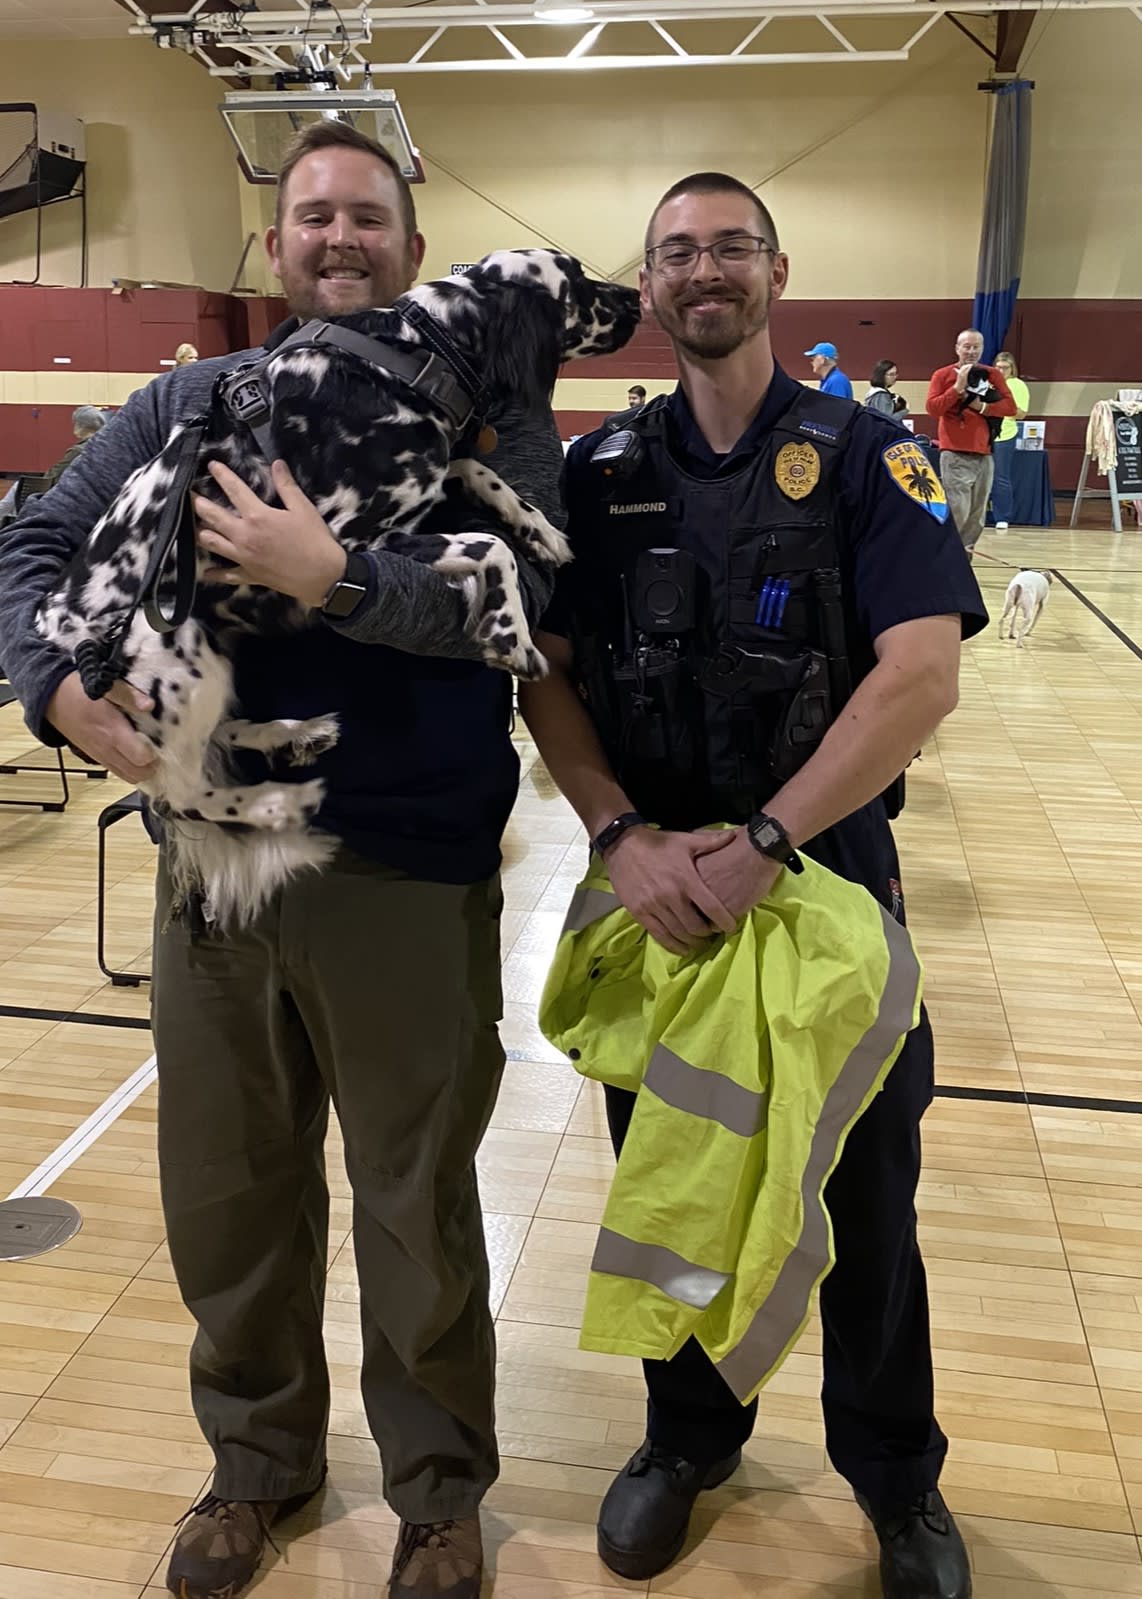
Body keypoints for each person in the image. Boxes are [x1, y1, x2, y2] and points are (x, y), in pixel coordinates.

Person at [0, 119, 565, 1599]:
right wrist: (58, 691)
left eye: (366, 218)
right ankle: (256, 1464)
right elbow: (33, 549)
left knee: (414, 1203)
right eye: (312, 215)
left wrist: (344, 579)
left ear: (412, 250)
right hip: (213, 870)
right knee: (230, 1193)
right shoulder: (189, 399)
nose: (338, 237)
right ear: (275, 246)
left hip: (401, 866)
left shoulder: (483, 415)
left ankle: (438, 1493)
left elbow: (528, 603)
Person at [518, 170, 985, 1598]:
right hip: (658, 897)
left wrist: (766, 839)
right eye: (676, 252)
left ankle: (897, 1480)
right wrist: (618, 837)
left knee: (863, 1203)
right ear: (647, 288)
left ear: (775, 270)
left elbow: (920, 672)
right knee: (677, 1185)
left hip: (822, 884)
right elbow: (546, 677)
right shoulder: (597, 478)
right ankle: (685, 1438)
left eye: (728, 245)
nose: (702, 268)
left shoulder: (864, 455)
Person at [926, 330, 1015, 557]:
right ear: (957, 348)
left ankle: (964, 557)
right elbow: (933, 408)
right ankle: (945, 556)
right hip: (954, 452)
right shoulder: (942, 375)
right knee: (958, 510)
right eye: (966, 346)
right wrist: (957, 388)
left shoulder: (992, 374)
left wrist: (983, 407)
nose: (971, 351)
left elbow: (1010, 407)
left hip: (984, 453)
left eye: (976, 347)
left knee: (977, 515)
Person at [991, 351, 1030, 530]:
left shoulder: (1017, 385)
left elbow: (1020, 414)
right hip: (984, 434)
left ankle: (1002, 516)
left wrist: (998, 408)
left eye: (1005, 368)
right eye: (998, 367)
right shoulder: (989, 383)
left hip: (1005, 435)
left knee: (1001, 477)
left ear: (1012, 368)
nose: (1001, 371)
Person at [43, 404, 106, 490]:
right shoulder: (106, 445)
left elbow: (52, 476)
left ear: (83, 425)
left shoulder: (78, 451)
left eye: (76, 423)